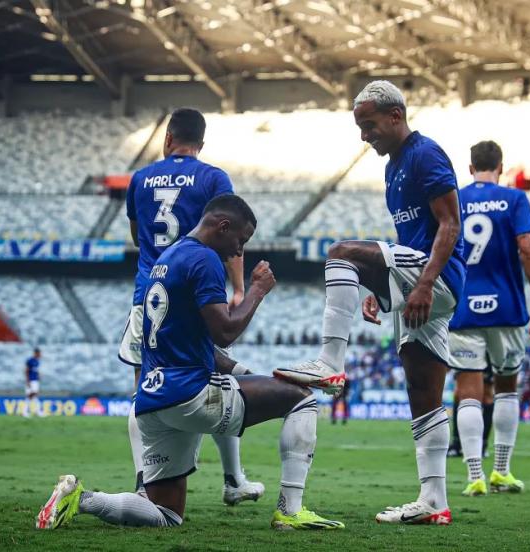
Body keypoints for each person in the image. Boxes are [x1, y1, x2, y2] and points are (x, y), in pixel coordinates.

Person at [37, 195, 343, 531]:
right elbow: (225, 330)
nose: (239, 252)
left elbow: (200, 346)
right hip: (191, 396)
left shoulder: (168, 258)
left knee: (165, 514)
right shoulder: (204, 260)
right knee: (302, 399)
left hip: (152, 402)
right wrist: (257, 290)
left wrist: (248, 376)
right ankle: (289, 511)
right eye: (240, 241)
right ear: (222, 226)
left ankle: (80, 498)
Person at [274, 81, 463, 525]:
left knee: (341, 253)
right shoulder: (394, 165)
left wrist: (421, 284)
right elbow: (408, 241)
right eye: (360, 127)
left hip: (434, 278)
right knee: (423, 390)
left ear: (396, 116)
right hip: (418, 281)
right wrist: (384, 291)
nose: (364, 136)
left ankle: (329, 361)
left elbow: (450, 225)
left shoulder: (425, 154)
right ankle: (434, 501)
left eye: (370, 125)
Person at [119, 107, 261, 504]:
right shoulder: (213, 177)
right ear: (201, 143)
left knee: (145, 391)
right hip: (199, 291)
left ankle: (144, 485)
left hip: (151, 292)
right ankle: (233, 480)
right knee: (211, 380)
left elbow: (137, 234)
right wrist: (238, 287)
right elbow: (228, 233)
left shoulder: (141, 178)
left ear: (167, 139)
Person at [446, 140, 530, 497]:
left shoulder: (454, 198)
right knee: (506, 387)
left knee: (468, 388)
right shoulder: (514, 199)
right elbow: (527, 249)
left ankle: (474, 475)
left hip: (464, 307)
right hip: (506, 307)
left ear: (470, 168)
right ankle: (501, 471)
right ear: (500, 167)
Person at [25, 349, 42, 418]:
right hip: (31, 381)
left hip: (35, 380)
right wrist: (27, 381)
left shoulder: (37, 362)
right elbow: (26, 371)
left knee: (34, 396)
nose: (40, 355)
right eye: (39, 353)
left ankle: (37, 412)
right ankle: (25, 411)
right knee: (31, 395)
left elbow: (35, 370)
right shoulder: (30, 361)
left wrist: (38, 375)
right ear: (35, 353)